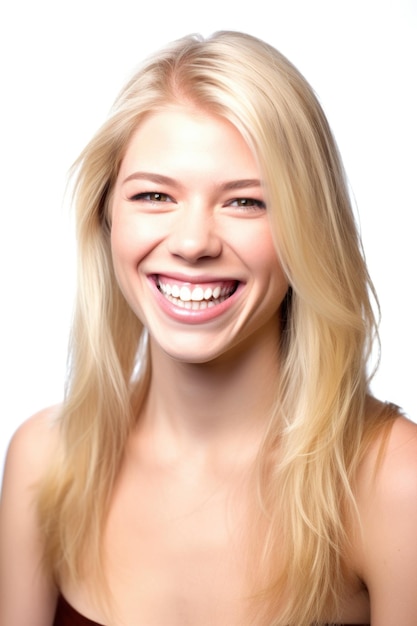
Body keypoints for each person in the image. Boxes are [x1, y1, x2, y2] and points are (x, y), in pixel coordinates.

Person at [0, 31, 416, 626]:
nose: (193, 243)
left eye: (246, 202)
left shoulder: (394, 483)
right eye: (153, 195)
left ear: (308, 227)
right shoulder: (45, 461)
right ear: (106, 219)